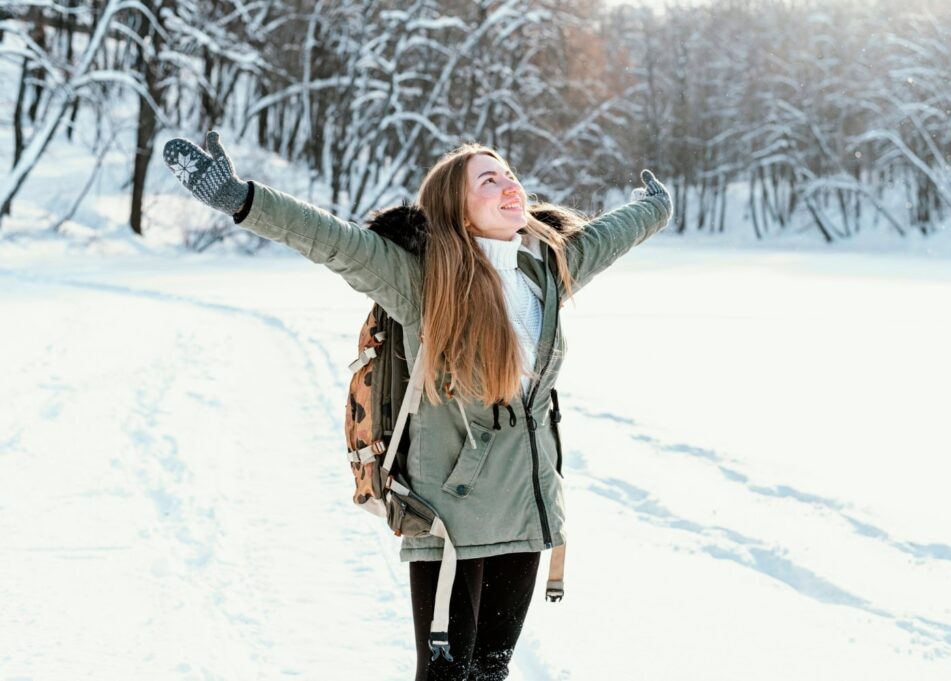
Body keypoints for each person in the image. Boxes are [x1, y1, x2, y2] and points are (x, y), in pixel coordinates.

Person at [163, 131, 673, 680]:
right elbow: (331, 239)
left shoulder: (544, 268)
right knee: (445, 677)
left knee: (491, 672)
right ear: (456, 209)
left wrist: (656, 208)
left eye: (508, 174)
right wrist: (243, 200)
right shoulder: (421, 278)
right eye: (488, 179)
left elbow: (608, 236)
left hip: (526, 507)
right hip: (448, 518)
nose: (509, 185)